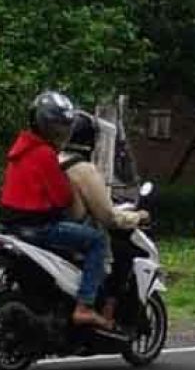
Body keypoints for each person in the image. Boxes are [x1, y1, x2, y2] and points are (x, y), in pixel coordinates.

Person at [0, 91, 113, 330]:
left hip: (11, 226)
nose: (59, 133)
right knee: (97, 241)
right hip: (39, 228)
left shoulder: (19, 150)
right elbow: (62, 198)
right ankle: (85, 306)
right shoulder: (45, 154)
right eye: (57, 127)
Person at [60, 111, 149, 322]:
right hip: (71, 232)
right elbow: (107, 216)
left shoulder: (49, 159)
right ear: (90, 140)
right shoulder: (83, 169)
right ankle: (97, 308)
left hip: (41, 225)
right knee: (122, 252)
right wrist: (137, 217)